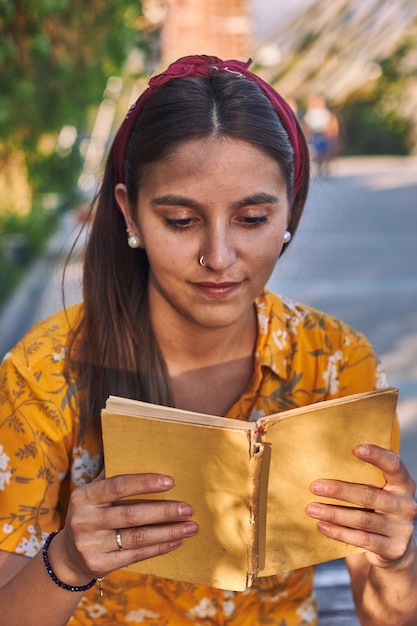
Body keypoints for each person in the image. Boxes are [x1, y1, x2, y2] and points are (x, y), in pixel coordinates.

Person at [0, 55, 416, 626]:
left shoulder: (334, 362)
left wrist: (396, 556)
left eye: (251, 219)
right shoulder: (45, 372)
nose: (218, 258)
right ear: (130, 213)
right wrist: (67, 561)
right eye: (180, 220)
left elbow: (386, 612)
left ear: (289, 211)